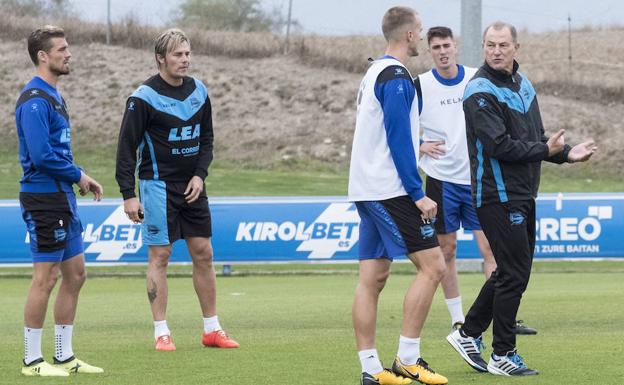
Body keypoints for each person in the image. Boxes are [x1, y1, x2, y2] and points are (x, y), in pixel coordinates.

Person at [446, 21, 596, 376]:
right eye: (489, 45)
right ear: (483, 47)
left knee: (515, 272)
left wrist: (566, 154)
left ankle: (468, 333)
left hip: (524, 193)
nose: (496, 51)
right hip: (495, 194)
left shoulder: (523, 84)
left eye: (502, 44)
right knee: (513, 273)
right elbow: (499, 146)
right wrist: (547, 149)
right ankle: (503, 354)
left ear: (516, 47)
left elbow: (537, 138)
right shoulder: (478, 91)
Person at [115, 28, 238, 351]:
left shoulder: (199, 91)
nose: (185, 60)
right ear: (160, 58)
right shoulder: (142, 98)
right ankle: (161, 331)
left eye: (187, 53)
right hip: (157, 188)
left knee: (204, 253)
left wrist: (200, 175)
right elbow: (126, 149)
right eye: (177, 55)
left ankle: (212, 329)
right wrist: (129, 194)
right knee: (161, 255)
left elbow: (207, 139)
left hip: (193, 187)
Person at [348, 7, 448, 385]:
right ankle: (407, 359)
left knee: (372, 277)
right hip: (388, 190)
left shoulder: (375, 70)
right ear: (408, 36)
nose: (421, 37)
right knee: (434, 266)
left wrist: (416, 145)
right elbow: (396, 137)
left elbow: (387, 131)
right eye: (420, 31)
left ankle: (371, 370)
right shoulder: (397, 76)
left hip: (367, 187)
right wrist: (417, 192)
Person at [417, 26, 537, 336]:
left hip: (477, 178)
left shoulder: (477, 78)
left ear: (456, 46)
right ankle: (459, 319)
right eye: (436, 47)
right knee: (447, 251)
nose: (443, 51)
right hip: (441, 178)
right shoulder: (421, 85)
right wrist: (418, 146)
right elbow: (398, 128)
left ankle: (501, 316)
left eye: (447, 45)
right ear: (429, 50)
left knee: (493, 252)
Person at [16, 25, 104, 377]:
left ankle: (64, 355)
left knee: (76, 274)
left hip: (61, 197)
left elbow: (57, 151)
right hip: (43, 199)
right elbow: (40, 155)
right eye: (62, 49)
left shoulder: (54, 96)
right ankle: (32, 361)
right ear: (43, 56)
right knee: (46, 277)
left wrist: (74, 179)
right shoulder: (35, 100)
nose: (69, 54)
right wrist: (79, 175)